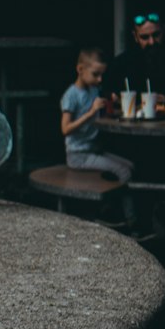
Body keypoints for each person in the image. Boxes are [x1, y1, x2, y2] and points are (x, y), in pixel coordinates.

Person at [61, 47, 137, 230]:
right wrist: (91, 112)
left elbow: (100, 112)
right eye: (95, 74)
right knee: (123, 171)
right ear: (80, 70)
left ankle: (114, 211)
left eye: (102, 75)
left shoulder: (94, 89)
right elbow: (65, 129)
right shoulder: (71, 95)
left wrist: (113, 103)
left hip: (95, 149)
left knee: (131, 166)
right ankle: (127, 220)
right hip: (78, 154)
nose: (100, 80)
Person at [102, 12, 165, 106]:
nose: (151, 42)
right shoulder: (121, 63)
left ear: (164, 30)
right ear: (135, 37)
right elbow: (105, 92)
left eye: (156, 35)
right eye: (144, 37)